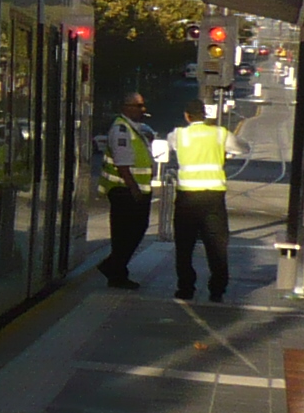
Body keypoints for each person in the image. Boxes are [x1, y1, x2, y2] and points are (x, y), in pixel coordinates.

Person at [169, 98, 233, 301]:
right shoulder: (220, 133)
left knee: (184, 246)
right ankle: (217, 289)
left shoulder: (178, 135)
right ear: (205, 115)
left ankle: (186, 288)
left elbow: (167, 147)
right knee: (217, 245)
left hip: (187, 198)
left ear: (186, 116)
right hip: (213, 197)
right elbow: (243, 147)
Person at [95, 90, 156, 288]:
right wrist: (134, 189)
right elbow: (122, 164)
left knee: (133, 232)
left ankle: (116, 269)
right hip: (124, 191)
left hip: (132, 190)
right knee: (127, 234)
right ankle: (115, 270)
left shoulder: (134, 128)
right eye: (138, 106)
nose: (143, 109)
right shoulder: (121, 129)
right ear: (126, 108)